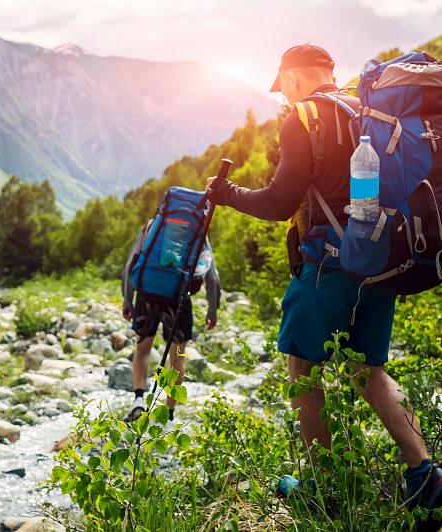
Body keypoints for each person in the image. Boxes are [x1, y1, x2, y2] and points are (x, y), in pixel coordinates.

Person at [206, 44, 441, 521]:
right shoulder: (366, 110)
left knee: (303, 365)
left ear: (292, 78)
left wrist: (227, 193)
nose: (284, 95)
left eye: (283, 85)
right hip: (380, 261)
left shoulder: (304, 116)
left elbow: (277, 202)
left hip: (326, 265)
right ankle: (426, 474)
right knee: (368, 369)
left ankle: (320, 486)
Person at [122, 220, 221, 422]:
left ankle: (139, 400)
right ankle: (169, 413)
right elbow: (212, 275)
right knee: (177, 357)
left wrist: (127, 299)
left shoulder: (152, 225)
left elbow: (131, 263)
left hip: (147, 294)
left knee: (142, 349)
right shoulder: (197, 229)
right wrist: (212, 308)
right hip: (178, 297)